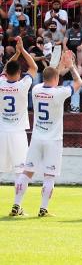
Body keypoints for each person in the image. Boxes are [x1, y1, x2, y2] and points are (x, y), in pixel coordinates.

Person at [10, 51, 81, 218]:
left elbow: (51, 75)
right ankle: (43, 209)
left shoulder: (35, 89)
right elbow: (78, 82)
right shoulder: (59, 92)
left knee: (27, 172)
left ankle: (16, 204)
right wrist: (70, 66)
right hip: (53, 140)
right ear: (56, 80)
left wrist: (58, 67)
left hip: (36, 138)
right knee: (49, 175)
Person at [2, 39, 39, 208]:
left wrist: (15, 54)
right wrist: (22, 50)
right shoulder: (23, 85)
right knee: (20, 171)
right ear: (18, 73)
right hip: (17, 132)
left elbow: (5, 68)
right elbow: (34, 68)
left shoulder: (1, 83)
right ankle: (17, 206)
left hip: (1, 131)